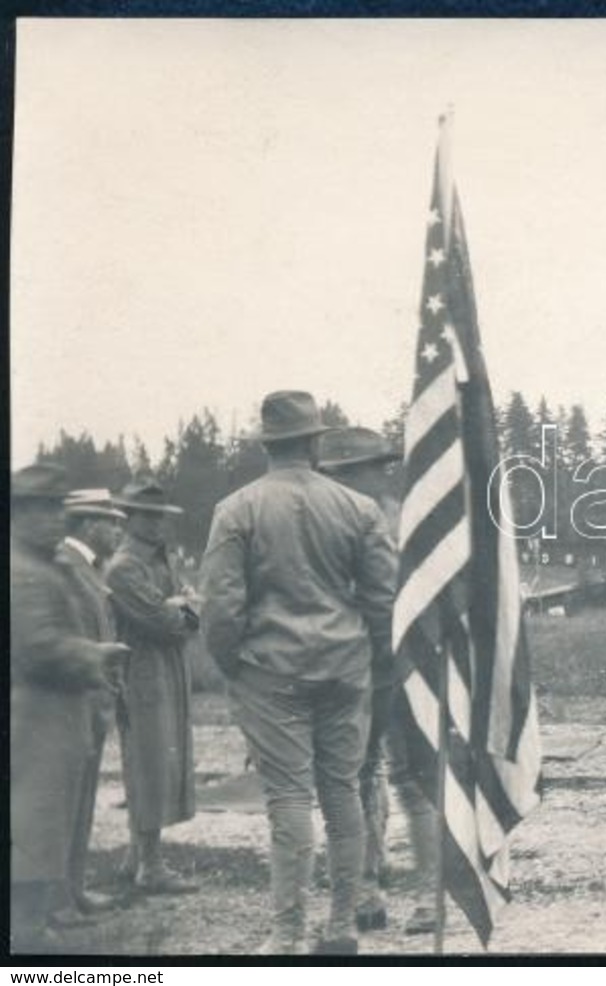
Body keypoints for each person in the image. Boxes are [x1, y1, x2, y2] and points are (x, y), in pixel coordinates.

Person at [200, 391, 397, 956]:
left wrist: (232, 664)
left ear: (268, 445)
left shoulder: (236, 509)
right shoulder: (359, 509)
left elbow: (220, 606)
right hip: (344, 668)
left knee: (288, 798)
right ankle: (341, 925)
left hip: (271, 670)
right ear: (314, 443)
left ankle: (287, 932)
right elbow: (383, 599)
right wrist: (370, 658)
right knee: (341, 792)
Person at [315, 426, 437, 937]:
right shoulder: (326, 524)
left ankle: (431, 893)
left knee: (414, 779)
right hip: (351, 665)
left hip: (399, 663)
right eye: (356, 471)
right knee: (358, 777)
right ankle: (366, 887)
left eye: (371, 469)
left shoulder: (403, 521)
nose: (372, 477)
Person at [11, 465, 130, 949]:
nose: (56, 519)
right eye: (43, 509)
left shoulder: (42, 564)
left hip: (50, 717)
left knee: (45, 820)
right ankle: (30, 935)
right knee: (34, 823)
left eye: (57, 508)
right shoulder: (24, 572)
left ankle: (37, 923)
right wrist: (91, 655)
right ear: (17, 513)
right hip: (36, 721)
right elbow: (37, 647)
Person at [106, 477, 201, 897]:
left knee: (163, 759)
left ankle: (136, 855)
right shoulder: (125, 566)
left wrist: (183, 609)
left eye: (162, 515)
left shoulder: (159, 560)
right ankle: (150, 864)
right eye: (149, 516)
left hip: (167, 668)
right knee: (148, 763)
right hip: (142, 670)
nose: (158, 523)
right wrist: (180, 611)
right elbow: (162, 620)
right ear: (129, 519)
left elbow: (185, 609)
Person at [55, 489, 131, 925]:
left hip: (93, 699)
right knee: (66, 800)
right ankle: (57, 898)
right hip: (76, 699)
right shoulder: (67, 567)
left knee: (83, 798)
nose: (118, 530)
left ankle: (74, 888)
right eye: (111, 522)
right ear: (86, 525)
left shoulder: (89, 568)